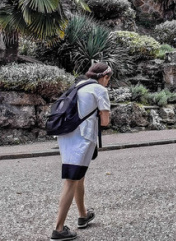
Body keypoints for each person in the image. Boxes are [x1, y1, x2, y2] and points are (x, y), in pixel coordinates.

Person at [51, 63, 112, 241]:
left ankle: (83, 215)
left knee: (79, 177)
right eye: (108, 79)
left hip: (65, 135)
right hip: (82, 138)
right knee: (71, 180)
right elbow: (105, 121)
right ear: (105, 77)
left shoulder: (78, 85)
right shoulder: (100, 90)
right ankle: (58, 229)